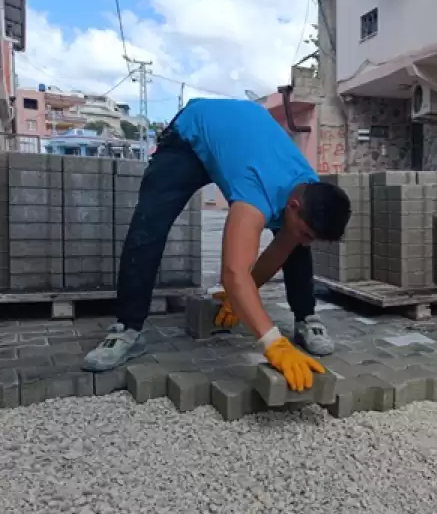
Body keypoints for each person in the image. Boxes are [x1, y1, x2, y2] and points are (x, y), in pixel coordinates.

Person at [81, 98, 352, 392]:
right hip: (190, 135)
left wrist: (240, 298)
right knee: (148, 226)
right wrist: (273, 342)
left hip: (242, 141)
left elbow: (284, 245)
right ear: (293, 203)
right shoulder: (255, 190)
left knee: (297, 241)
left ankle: (306, 317)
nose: (305, 240)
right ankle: (127, 329)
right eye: (307, 232)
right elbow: (233, 272)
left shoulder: (308, 186)